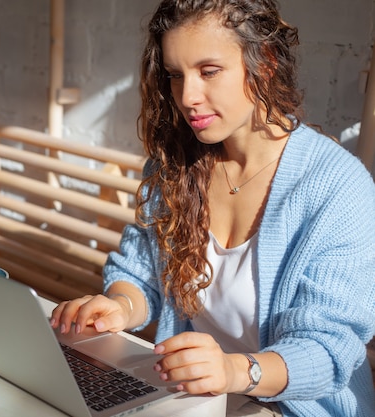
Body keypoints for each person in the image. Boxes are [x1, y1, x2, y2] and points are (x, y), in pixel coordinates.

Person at [49, 1, 375, 416]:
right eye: (175, 75)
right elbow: (139, 273)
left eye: (209, 71)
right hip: (194, 399)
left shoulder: (336, 187)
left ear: (265, 63)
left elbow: (327, 350)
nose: (188, 97)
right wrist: (120, 307)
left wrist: (234, 371)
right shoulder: (174, 165)